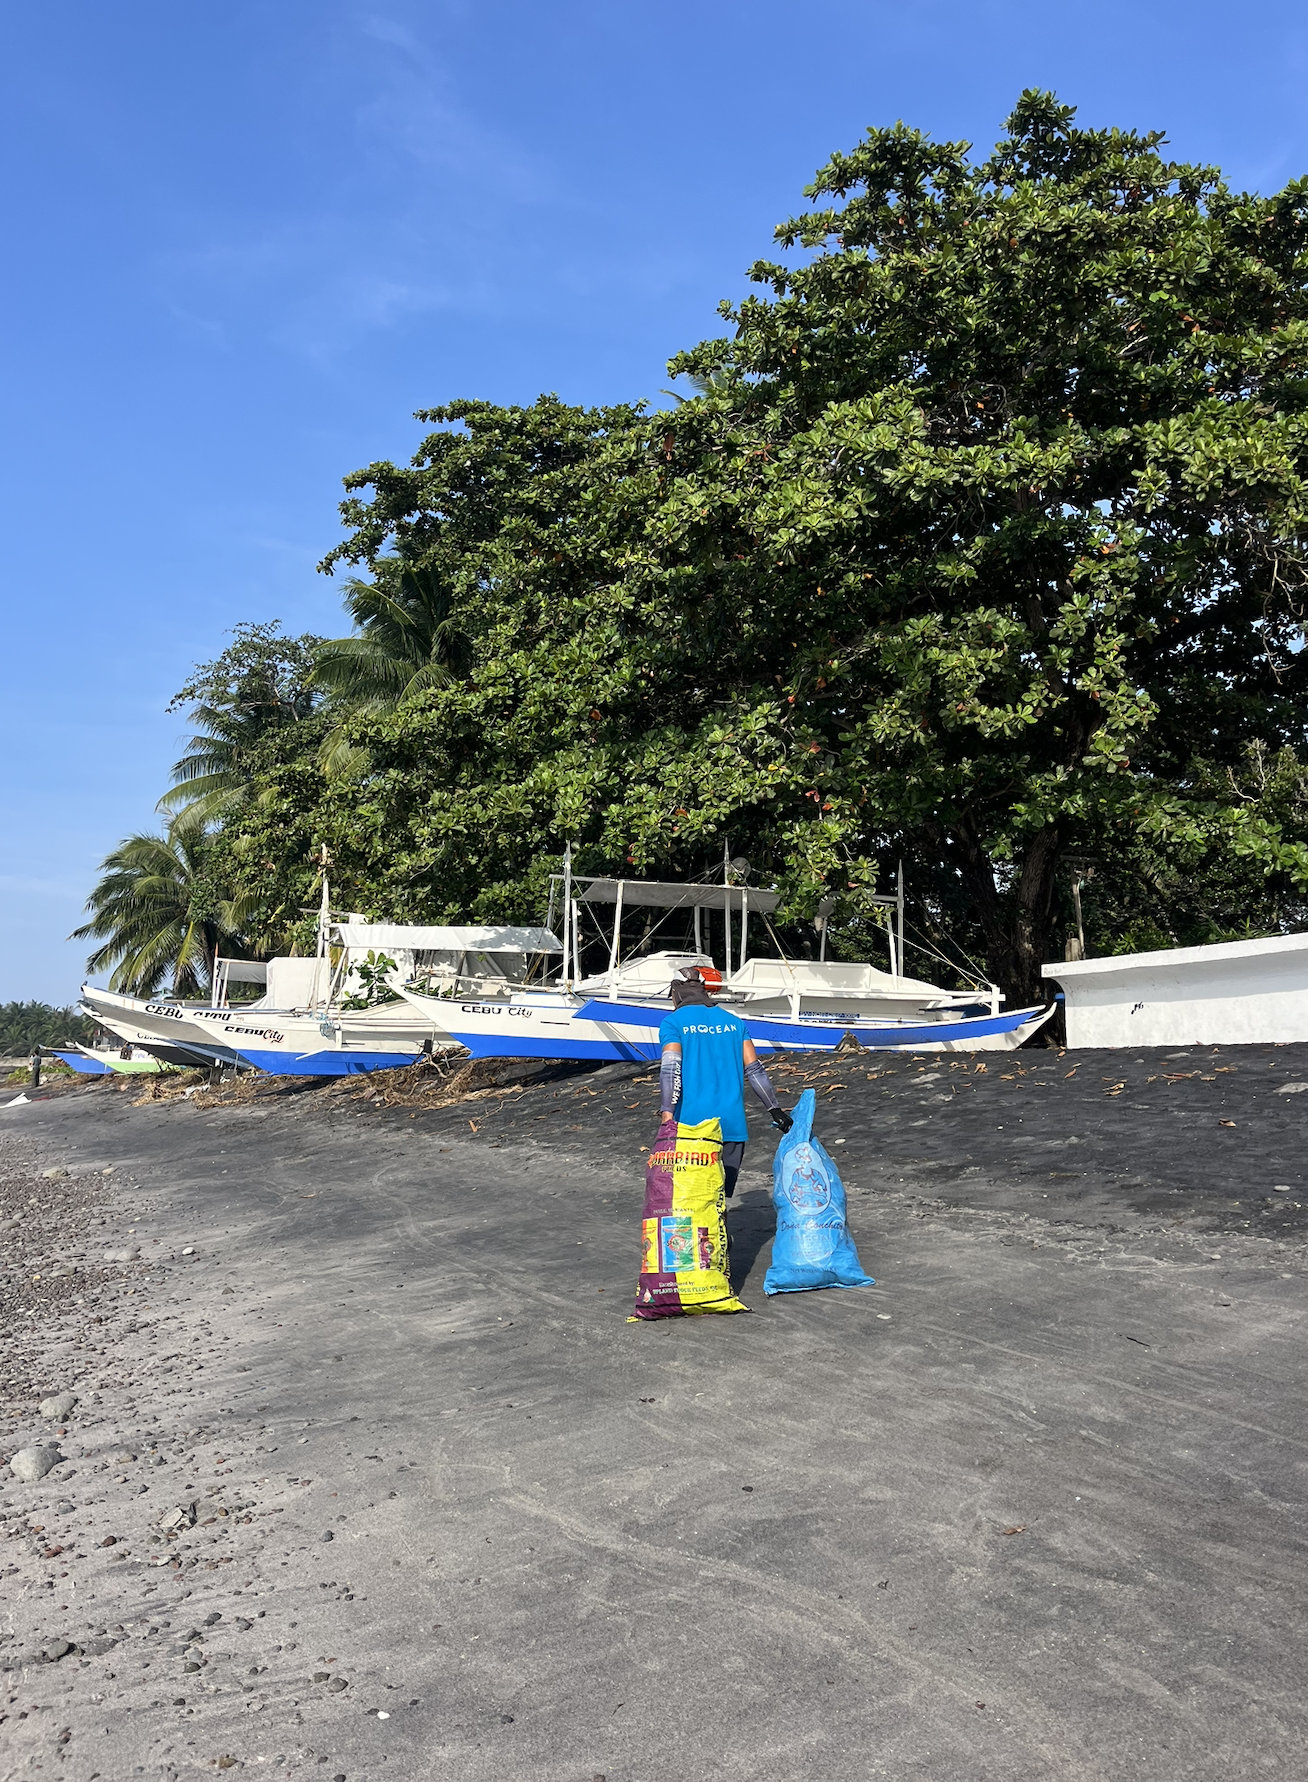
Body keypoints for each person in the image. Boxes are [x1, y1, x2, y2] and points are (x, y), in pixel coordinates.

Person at [658, 968, 792, 1199]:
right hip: (731, 1124)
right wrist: (775, 1109)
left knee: (695, 1198)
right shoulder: (734, 1022)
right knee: (719, 1196)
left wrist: (667, 1114)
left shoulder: (673, 1023)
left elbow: (671, 1070)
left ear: (677, 995)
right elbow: (755, 1070)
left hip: (692, 1125)